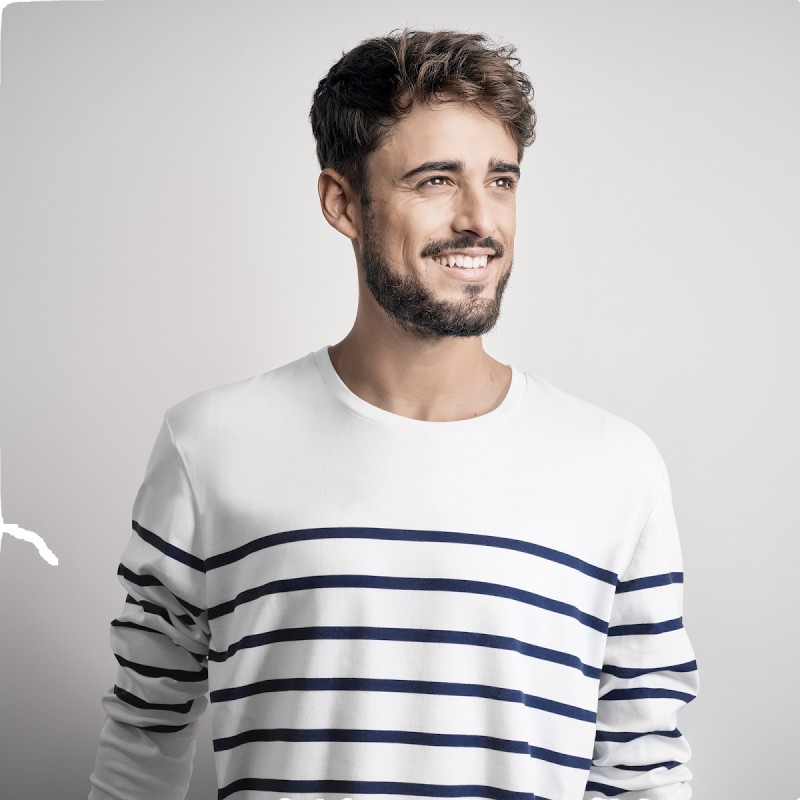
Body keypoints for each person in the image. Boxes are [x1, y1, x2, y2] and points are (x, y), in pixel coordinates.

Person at [89, 29, 698, 800]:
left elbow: (642, 769)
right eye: (436, 179)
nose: (480, 218)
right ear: (342, 202)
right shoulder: (208, 446)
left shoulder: (614, 467)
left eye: (501, 180)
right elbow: (144, 735)